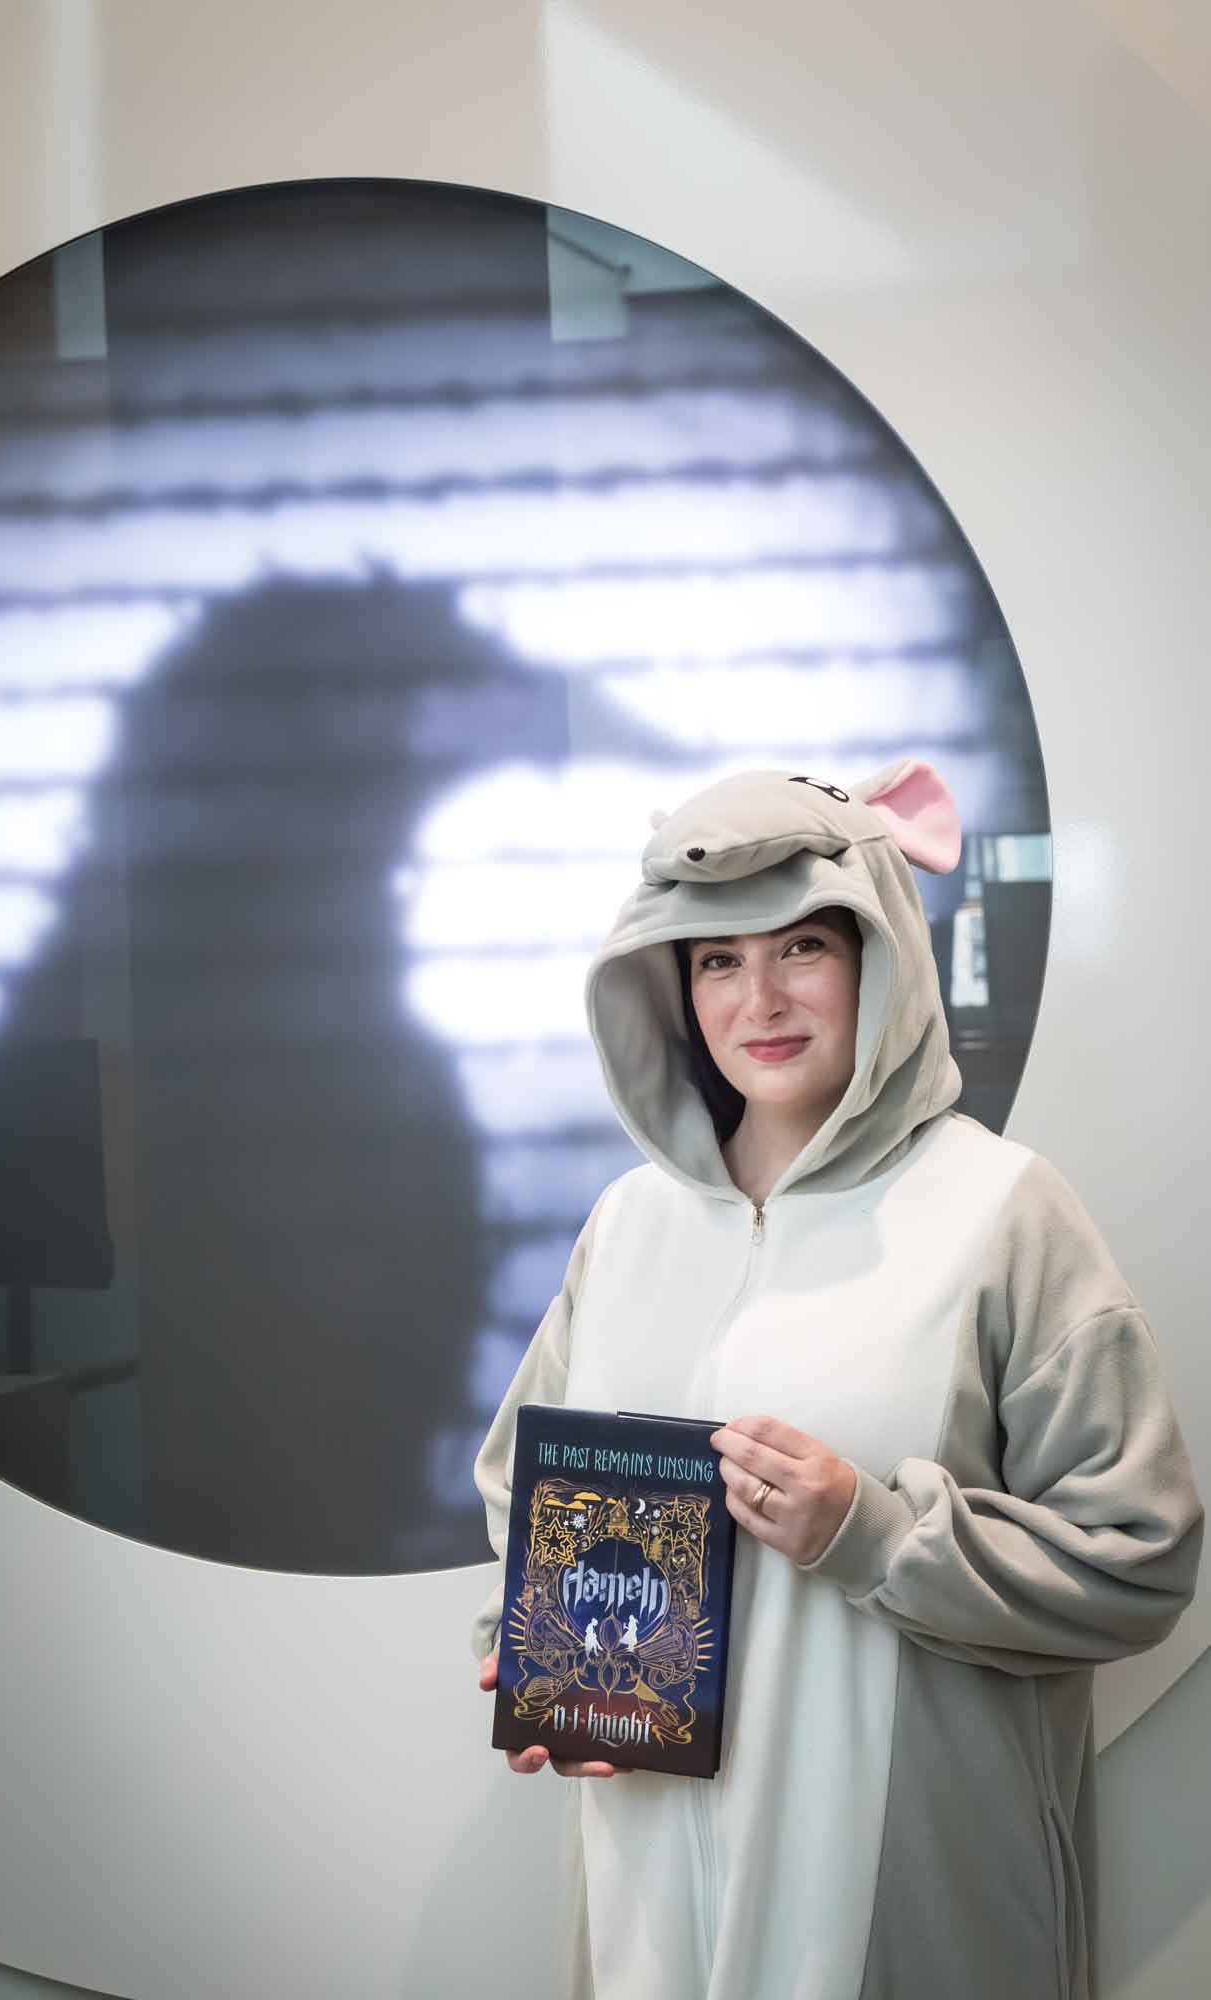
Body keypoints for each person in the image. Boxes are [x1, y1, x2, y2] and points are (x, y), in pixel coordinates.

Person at [471, 759, 1204, 2000]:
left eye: (800, 945)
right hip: (648, 1883)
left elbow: (1135, 1562)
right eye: (713, 957)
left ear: (879, 955)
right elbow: (520, 1488)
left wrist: (871, 1531)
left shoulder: (999, 1210)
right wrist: (540, 1655)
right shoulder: (630, 1224)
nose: (757, 996)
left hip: (902, 1895)